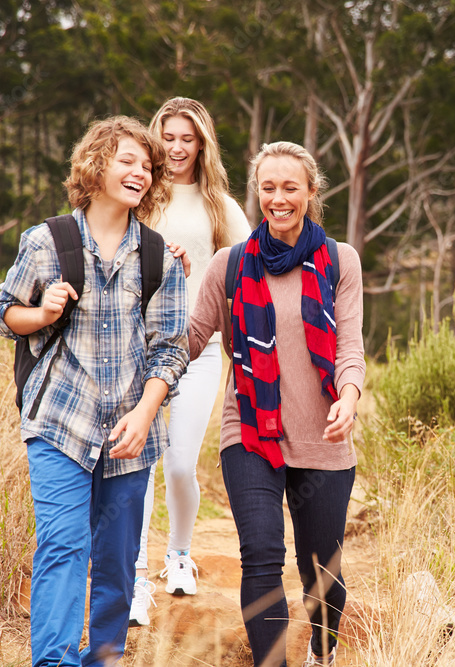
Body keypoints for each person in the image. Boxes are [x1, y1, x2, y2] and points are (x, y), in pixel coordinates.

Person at [0, 116, 189, 667]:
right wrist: (41, 311)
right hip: (59, 422)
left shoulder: (160, 259)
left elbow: (171, 349)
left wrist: (147, 414)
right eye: (127, 161)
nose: (139, 174)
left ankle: (102, 659)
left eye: (147, 167)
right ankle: (52, 663)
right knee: (63, 547)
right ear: (96, 164)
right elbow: (2, 314)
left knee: (118, 561)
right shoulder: (45, 242)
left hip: (132, 431)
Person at [189, 141, 365, 667]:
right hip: (250, 431)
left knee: (321, 575)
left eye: (290, 187)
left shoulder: (339, 260)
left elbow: (349, 347)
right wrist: (162, 287)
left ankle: (322, 650)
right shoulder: (231, 263)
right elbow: (192, 337)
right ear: (257, 193)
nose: (278, 198)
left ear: (311, 193)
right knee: (262, 557)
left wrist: (349, 397)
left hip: (323, 436)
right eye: (268, 188)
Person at [129, 97, 252, 626]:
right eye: (169, 137)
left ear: (202, 144)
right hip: (135, 348)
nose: (177, 148)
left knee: (179, 462)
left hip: (197, 351)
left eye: (188, 138)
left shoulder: (222, 207)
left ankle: (179, 554)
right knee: (137, 464)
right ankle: (132, 576)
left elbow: (247, 278)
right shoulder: (139, 198)